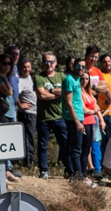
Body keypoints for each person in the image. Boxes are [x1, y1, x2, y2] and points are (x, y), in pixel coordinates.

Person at [34, 52, 67, 180]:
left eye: (51, 61)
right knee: (43, 145)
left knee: (65, 143)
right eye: (46, 62)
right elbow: (41, 95)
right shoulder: (38, 77)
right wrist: (58, 93)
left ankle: (67, 169)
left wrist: (51, 91)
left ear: (56, 63)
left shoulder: (61, 76)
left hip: (60, 116)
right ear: (43, 63)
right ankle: (43, 170)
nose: (49, 64)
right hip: (44, 118)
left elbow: (66, 91)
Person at [61, 57, 88, 181]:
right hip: (73, 118)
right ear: (73, 67)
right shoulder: (69, 80)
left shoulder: (77, 80)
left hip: (79, 116)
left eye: (83, 66)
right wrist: (76, 121)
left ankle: (74, 174)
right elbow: (69, 103)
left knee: (77, 147)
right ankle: (77, 175)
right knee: (75, 148)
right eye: (78, 66)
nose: (81, 69)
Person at [16, 59, 38, 168]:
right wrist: (20, 105)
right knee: (28, 137)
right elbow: (15, 94)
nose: (26, 69)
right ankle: (28, 162)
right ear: (20, 68)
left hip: (34, 112)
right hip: (27, 113)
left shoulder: (30, 78)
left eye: (28, 67)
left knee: (31, 137)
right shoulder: (19, 80)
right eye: (24, 67)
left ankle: (29, 160)